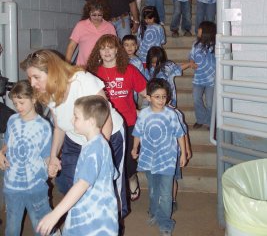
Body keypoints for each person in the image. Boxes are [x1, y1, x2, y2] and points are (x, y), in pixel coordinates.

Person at [19, 49, 127, 220]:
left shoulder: (82, 80)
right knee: (69, 182)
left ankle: (111, 224)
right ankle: (84, 218)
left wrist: (101, 153)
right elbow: (59, 127)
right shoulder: (47, 91)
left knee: (107, 184)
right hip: (75, 138)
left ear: (52, 71)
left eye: (36, 77)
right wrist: (53, 156)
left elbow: (105, 119)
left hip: (107, 135)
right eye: (30, 78)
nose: (32, 83)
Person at [37, 95, 119, 236]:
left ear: (91, 122)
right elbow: (112, 173)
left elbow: (82, 184)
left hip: (92, 219)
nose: (71, 120)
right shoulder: (100, 144)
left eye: (76, 117)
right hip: (95, 213)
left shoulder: (94, 150)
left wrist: (55, 214)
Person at [87, 34, 147, 202]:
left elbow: (146, 92)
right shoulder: (92, 73)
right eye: (103, 48)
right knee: (107, 160)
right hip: (102, 124)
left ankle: (131, 177)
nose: (106, 51)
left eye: (110, 47)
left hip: (128, 123)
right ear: (98, 51)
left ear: (117, 50)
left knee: (128, 160)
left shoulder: (129, 70)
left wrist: (160, 104)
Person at [131, 78, 186, 236]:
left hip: (167, 160)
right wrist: (135, 148)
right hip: (149, 159)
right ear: (148, 97)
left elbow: (180, 134)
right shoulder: (143, 115)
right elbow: (138, 133)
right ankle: (154, 213)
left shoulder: (171, 114)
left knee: (166, 193)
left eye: (164, 96)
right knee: (154, 190)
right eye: (157, 97)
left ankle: (165, 223)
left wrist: (182, 153)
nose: (161, 100)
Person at [0, 80, 55, 236]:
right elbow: (8, 143)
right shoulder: (12, 120)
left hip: (36, 186)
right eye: (15, 103)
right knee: (11, 227)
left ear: (33, 99)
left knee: (42, 225)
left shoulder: (44, 126)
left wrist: (52, 167)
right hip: (12, 185)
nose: (18, 107)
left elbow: (47, 156)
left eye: (22, 102)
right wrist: (1, 152)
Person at [65, 0, 116, 66]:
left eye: (99, 14)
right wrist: (66, 65)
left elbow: (115, 47)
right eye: (94, 14)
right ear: (89, 13)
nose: (96, 17)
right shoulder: (81, 25)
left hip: (104, 67)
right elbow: (71, 46)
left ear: (103, 13)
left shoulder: (109, 27)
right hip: (84, 68)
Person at [189, 21, 216, 129]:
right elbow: (191, 57)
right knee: (196, 99)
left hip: (211, 80)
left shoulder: (215, 45)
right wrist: (191, 62)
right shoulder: (195, 44)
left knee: (210, 103)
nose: (198, 30)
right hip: (198, 79)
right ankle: (201, 119)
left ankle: (210, 122)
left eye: (200, 28)